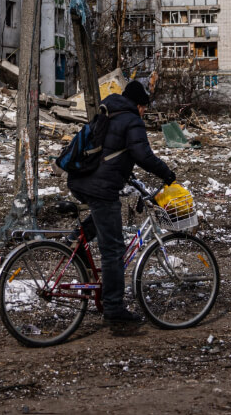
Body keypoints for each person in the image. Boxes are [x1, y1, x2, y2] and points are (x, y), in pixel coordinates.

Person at [66, 79, 176, 324]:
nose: (145, 111)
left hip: (81, 181)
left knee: (103, 216)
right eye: (144, 107)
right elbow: (143, 154)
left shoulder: (109, 112)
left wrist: (128, 175)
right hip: (99, 187)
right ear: (138, 104)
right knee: (113, 249)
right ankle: (114, 308)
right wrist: (166, 173)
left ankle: (78, 239)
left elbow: (112, 151)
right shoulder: (131, 119)